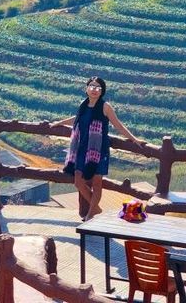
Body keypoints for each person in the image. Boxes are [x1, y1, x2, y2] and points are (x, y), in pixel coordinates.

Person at [51, 76, 145, 220]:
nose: (94, 90)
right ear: (86, 88)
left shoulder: (105, 107)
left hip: (98, 150)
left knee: (96, 183)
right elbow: (76, 119)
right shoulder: (83, 104)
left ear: (102, 91)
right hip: (81, 149)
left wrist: (134, 139)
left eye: (98, 88)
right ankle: (96, 208)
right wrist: (59, 123)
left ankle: (90, 214)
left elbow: (118, 125)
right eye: (92, 86)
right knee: (78, 182)